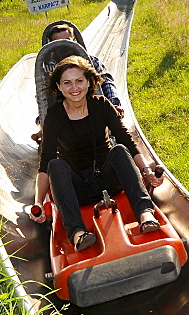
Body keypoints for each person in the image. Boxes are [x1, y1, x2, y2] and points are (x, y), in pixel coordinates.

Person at [30, 55, 163, 251]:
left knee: (119, 149)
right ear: (58, 86)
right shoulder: (54, 116)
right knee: (55, 165)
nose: (74, 88)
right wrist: (38, 203)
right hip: (77, 188)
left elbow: (127, 141)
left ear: (89, 82)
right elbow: (45, 162)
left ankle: (145, 214)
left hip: (108, 179)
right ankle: (77, 234)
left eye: (79, 81)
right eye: (67, 83)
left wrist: (146, 170)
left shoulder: (101, 105)